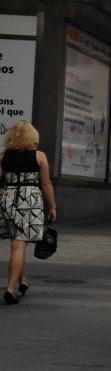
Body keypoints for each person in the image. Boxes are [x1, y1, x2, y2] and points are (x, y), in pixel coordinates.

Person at [0, 122, 56, 305]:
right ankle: (10, 289)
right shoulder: (39, 156)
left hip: (8, 198)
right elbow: (46, 184)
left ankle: (22, 281)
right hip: (29, 199)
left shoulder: (3, 157)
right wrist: (52, 206)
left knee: (17, 243)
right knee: (19, 244)